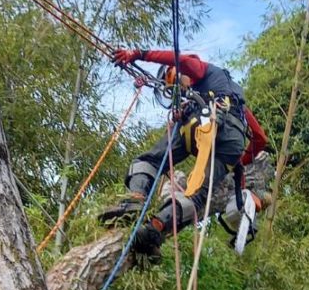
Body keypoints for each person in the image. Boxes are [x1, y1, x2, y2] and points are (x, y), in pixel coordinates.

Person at [99, 47, 268, 256]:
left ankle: (135, 199)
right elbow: (260, 138)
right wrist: (235, 164)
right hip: (231, 146)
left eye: (173, 83)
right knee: (197, 195)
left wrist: (138, 55)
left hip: (203, 124)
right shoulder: (236, 101)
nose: (178, 93)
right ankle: (155, 230)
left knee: (149, 161)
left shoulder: (200, 70)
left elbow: (180, 59)